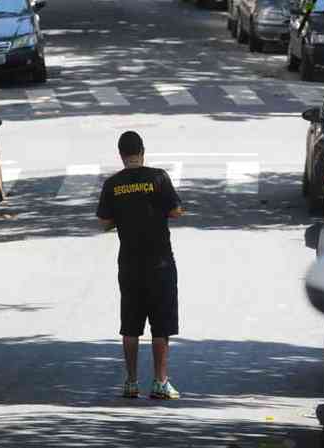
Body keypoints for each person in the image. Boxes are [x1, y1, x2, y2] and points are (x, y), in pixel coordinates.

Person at [96, 131, 183, 400]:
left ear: (121, 155)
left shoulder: (113, 184)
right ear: (142, 151)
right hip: (160, 263)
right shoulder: (158, 178)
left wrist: (123, 217)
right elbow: (176, 211)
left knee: (130, 325)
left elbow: (104, 222)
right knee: (161, 325)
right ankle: (160, 382)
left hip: (130, 264)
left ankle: (131, 382)